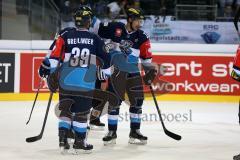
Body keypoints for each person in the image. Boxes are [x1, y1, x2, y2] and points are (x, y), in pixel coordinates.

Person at [38, 7, 112, 153]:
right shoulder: (95, 39)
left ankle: (63, 140)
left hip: (65, 81)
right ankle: (79, 143)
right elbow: (106, 59)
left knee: (65, 111)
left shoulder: (65, 36)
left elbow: (53, 58)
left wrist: (47, 68)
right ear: (89, 21)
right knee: (81, 113)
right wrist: (105, 74)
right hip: (84, 82)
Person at [90, 7, 157, 145]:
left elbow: (146, 59)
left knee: (137, 102)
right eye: (138, 21)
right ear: (130, 19)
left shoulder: (142, 36)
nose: (140, 24)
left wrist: (149, 72)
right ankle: (112, 132)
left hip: (133, 73)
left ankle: (135, 132)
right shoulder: (115, 27)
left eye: (141, 21)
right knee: (114, 102)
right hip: (117, 72)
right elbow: (96, 27)